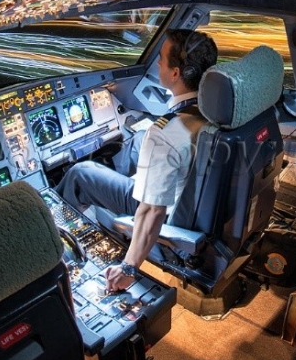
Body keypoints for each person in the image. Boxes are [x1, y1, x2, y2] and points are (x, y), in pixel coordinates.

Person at [55, 28, 218, 293]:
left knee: (80, 173)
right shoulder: (216, 107)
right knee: (137, 138)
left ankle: (59, 248)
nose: (156, 63)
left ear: (176, 74)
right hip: (194, 189)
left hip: (168, 214)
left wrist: (128, 268)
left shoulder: (165, 133)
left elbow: (152, 210)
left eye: (162, 60)